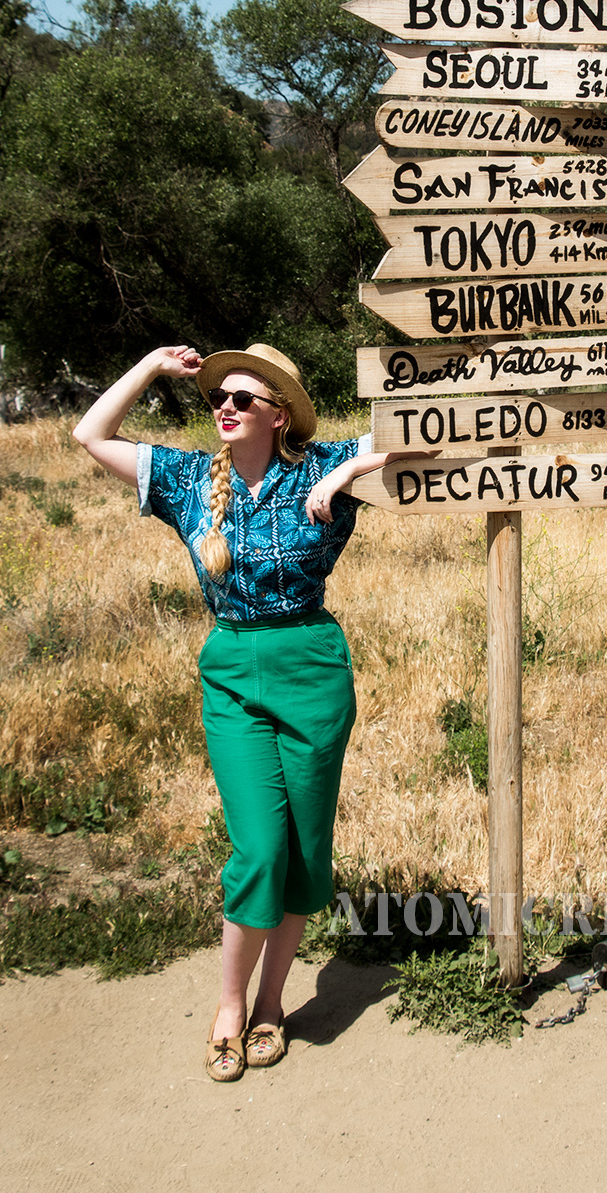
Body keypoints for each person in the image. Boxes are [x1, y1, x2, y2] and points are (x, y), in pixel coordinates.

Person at [73, 342, 416, 1082]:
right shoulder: (192, 477)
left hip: (313, 668)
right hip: (232, 669)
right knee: (259, 849)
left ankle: (271, 1005)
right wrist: (150, 367)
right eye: (216, 399)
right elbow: (90, 435)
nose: (223, 408)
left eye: (241, 399)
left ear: (278, 413)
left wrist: (353, 471)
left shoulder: (321, 461)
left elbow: (430, 424)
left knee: (302, 853)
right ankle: (229, 1008)